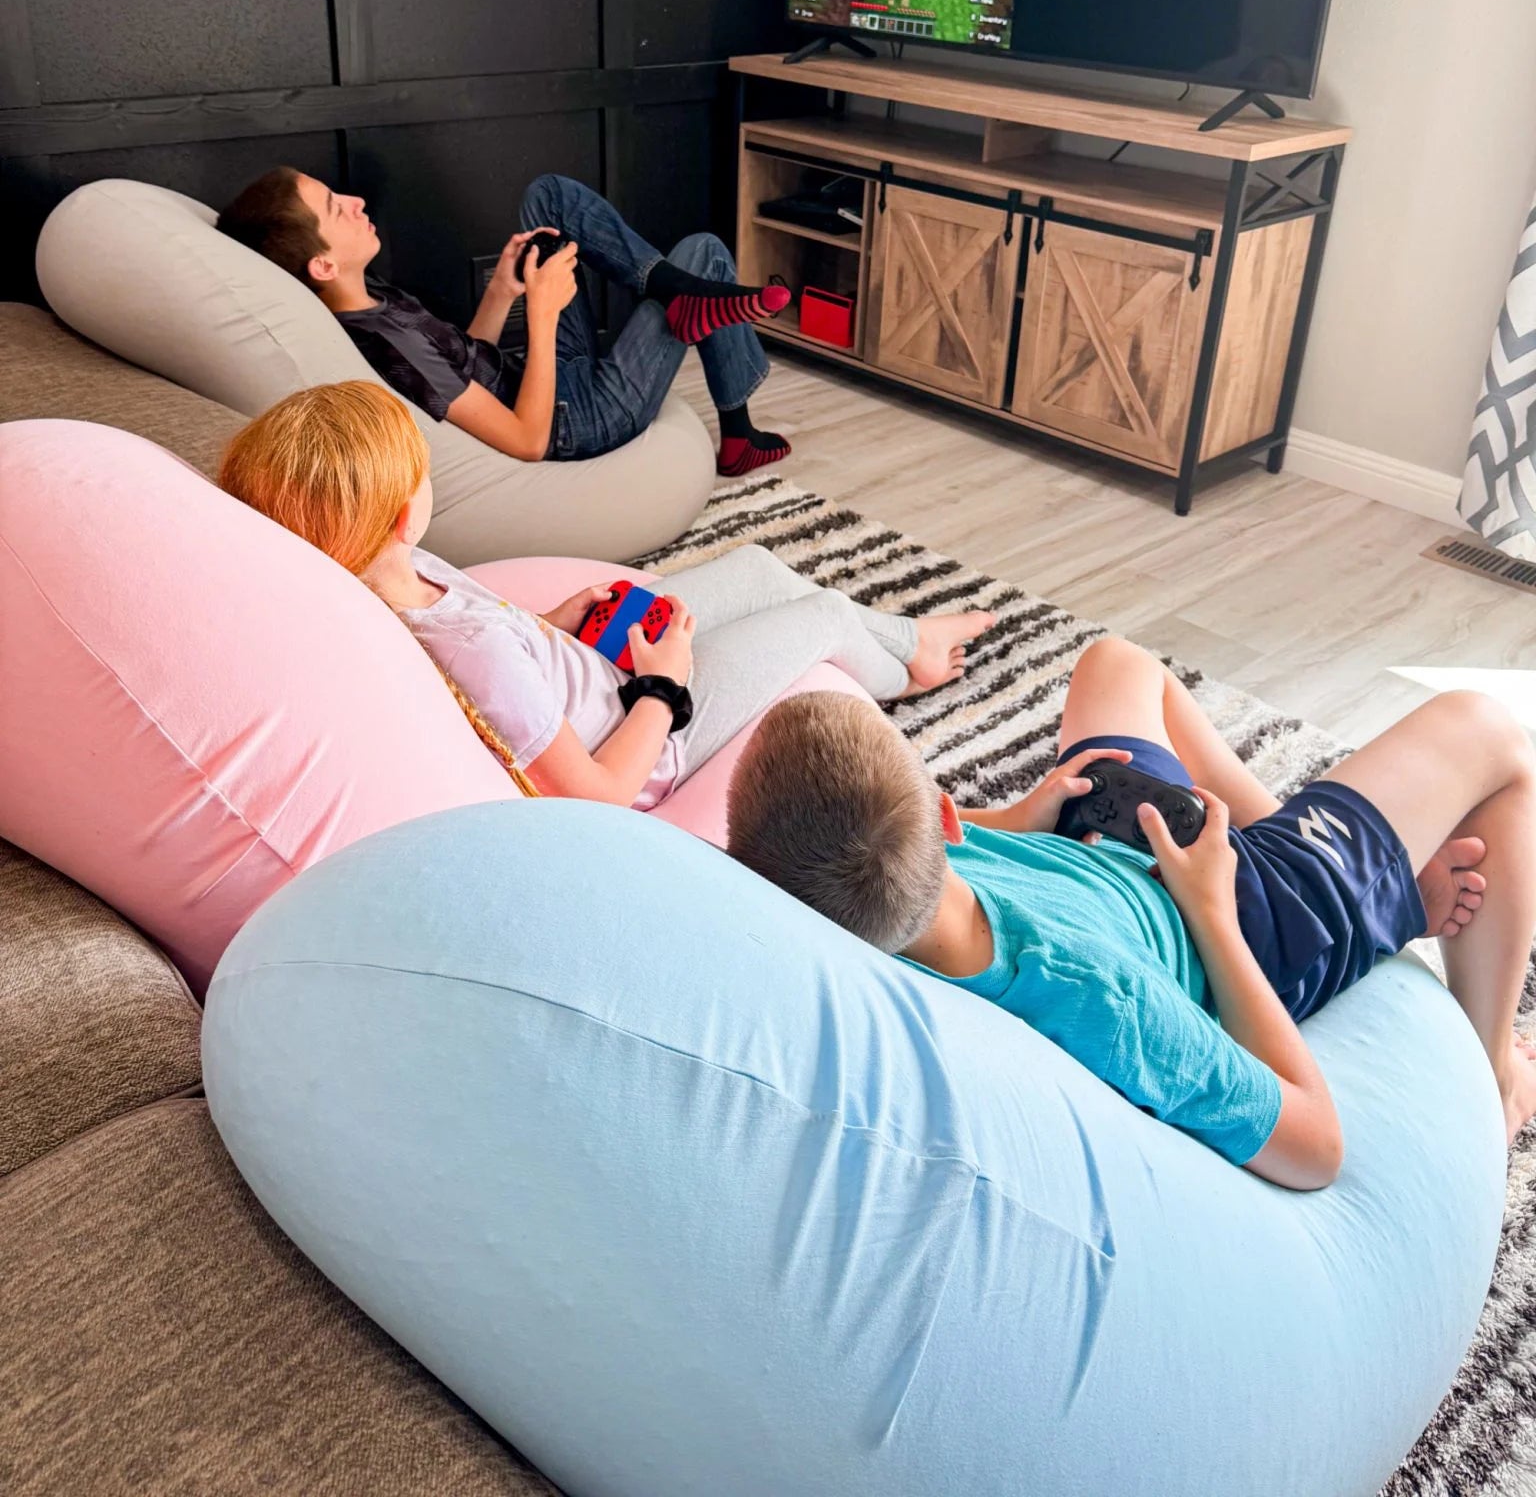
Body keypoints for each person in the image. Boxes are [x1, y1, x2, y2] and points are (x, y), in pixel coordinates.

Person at [726, 635, 1536, 1190]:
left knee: (1118, 663)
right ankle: (1490, 1063)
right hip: (1241, 918)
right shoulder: (1096, 997)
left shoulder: (850, 907)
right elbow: (1316, 1146)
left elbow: (920, 843)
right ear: (943, 815)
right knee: (1492, 738)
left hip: (1099, 845)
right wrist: (1213, 907)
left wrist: (1017, 817)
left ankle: (1354, 866)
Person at [217, 380, 993, 812]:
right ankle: (910, 663)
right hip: (647, 734)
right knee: (819, 616)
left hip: (594, 665)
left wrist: (552, 625)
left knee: (757, 566)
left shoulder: (388, 572)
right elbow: (597, 795)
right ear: (399, 514)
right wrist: (667, 684)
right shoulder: (469, 650)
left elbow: (494, 651)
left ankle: (904, 634)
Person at [215, 168, 794, 477]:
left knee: (549, 198)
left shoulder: (370, 299)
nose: (356, 201)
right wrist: (539, 316)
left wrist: (503, 290)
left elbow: (470, 361)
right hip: (577, 421)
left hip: (553, 383)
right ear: (321, 264)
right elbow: (526, 441)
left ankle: (678, 293)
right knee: (705, 253)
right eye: (336, 209)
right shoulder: (383, 345)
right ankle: (736, 427)